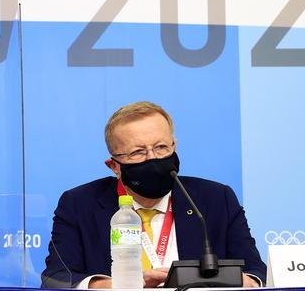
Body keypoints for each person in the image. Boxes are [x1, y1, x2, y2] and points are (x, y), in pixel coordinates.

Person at [41, 101, 266, 288]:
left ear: (174, 146)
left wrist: (222, 282)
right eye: (138, 152)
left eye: (161, 148)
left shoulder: (216, 199)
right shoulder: (79, 204)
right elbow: (56, 278)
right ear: (114, 166)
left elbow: (256, 273)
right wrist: (120, 285)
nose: (153, 159)